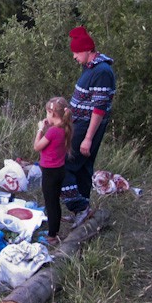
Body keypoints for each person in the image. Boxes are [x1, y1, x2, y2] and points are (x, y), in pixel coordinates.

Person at [61, 26, 116, 228]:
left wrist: (88, 138)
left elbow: (99, 109)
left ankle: (78, 206)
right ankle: (82, 211)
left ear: (87, 51)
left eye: (76, 53)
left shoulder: (102, 72)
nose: (74, 57)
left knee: (63, 164)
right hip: (79, 123)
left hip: (87, 126)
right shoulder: (90, 68)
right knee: (83, 167)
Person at [33, 97, 73, 246]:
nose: (46, 116)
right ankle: (54, 231)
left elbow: (37, 146)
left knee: (51, 204)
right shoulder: (66, 127)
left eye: (47, 113)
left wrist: (40, 129)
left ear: (52, 113)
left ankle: (52, 236)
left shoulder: (53, 132)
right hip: (59, 170)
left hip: (50, 172)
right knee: (55, 201)